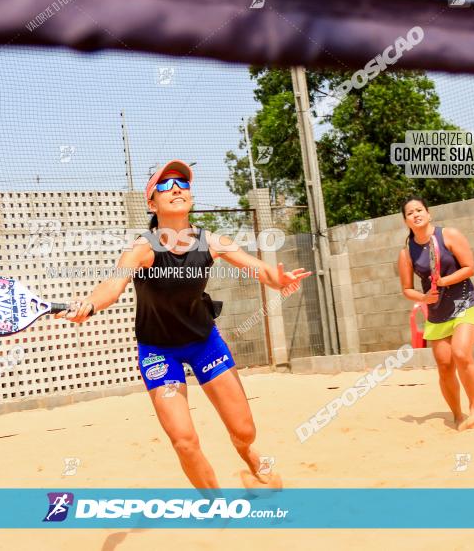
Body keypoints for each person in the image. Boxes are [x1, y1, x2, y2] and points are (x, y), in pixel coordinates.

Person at [57, 160, 310, 489]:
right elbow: (112, 285)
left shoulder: (213, 242)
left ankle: (246, 452)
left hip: (204, 343)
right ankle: (216, 505)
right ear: (152, 203)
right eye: (165, 185)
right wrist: (89, 304)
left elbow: (260, 269)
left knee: (245, 431)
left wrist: (280, 279)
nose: (176, 188)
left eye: (183, 183)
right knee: (185, 441)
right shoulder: (143, 250)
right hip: (159, 352)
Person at [398, 196, 474, 431]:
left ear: (429, 214)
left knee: (461, 353)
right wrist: (423, 298)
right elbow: (407, 289)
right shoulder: (406, 253)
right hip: (437, 313)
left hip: (466, 304)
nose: (416, 214)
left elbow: (470, 267)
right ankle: (457, 416)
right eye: (410, 213)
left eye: (419, 210)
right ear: (406, 221)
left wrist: (444, 280)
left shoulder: (449, 235)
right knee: (444, 365)